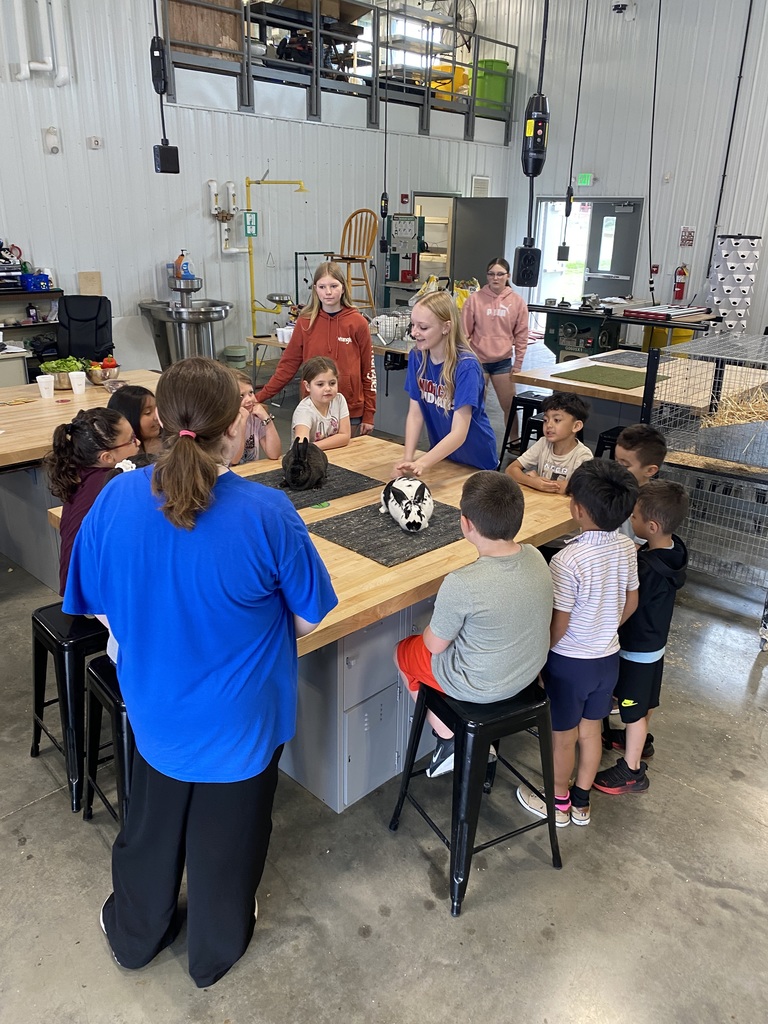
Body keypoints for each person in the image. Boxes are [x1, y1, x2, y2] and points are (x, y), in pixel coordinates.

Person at [62, 357, 337, 988]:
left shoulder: (117, 499)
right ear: (232, 425)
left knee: (152, 828)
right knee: (229, 844)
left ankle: (136, 934)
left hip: (155, 709)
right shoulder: (268, 515)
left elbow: (98, 605)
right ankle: (214, 950)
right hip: (241, 723)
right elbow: (309, 618)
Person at [394, 471, 553, 777]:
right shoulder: (534, 555)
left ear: (465, 524)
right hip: (527, 677)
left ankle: (450, 738)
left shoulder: (462, 583)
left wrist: (433, 627)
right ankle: (461, 739)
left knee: (402, 652)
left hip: (479, 688)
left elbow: (433, 645)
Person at [516, 459, 639, 827]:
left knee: (562, 737)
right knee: (591, 731)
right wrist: (604, 628)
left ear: (578, 509)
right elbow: (631, 602)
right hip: (608, 659)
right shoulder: (628, 548)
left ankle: (557, 801)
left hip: (570, 664)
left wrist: (539, 660)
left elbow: (560, 624)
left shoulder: (566, 561)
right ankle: (582, 803)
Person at [596, 480, 688, 794]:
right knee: (645, 701)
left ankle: (631, 771)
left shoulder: (647, 569)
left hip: (637, 650)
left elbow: (627, 602)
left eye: (634, 517)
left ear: (651, 525)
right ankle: (640, 741)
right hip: (655, 647)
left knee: (632, 711)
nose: (630, 521)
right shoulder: (674, 551)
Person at [255, 262, 376, 434]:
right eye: (322, 286)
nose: (328, 292)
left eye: (334, 286)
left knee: (344, 458)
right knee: (311, 456)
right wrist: (260, 397)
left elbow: (368, 372)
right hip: (312, 408)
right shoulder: (305, 322)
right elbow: (287, 365)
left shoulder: (358, 322)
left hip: (349, 409)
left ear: (343, 288)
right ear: (315, 289)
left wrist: (369, 414)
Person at [393, 291, 498, 476]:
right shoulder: (417, 358)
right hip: (443, 456)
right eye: (413, 325)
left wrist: (423, 463)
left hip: (477, 461)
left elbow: (460, 431)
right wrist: (407, 459)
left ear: (446, 327)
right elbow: (415, 415)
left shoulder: (466, 367)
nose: (414, 332)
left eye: (423, 327)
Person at [44, 408, 140, 595]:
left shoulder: (83, 472)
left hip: (75, 590)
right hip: (93, 598)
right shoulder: (113, 485)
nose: (138, 443)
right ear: (107, 457)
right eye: (131, 439)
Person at [461, 257, 529, 426]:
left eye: (500, 274)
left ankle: (514, 441)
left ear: (508, 276)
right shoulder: (474, 300)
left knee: (509, 405)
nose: (495, 278)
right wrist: (464, 360)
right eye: (491, 274)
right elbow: (463, 333)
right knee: (474, 406)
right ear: (487, 276)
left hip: (503, 362)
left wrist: (518, 363)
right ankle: (472, 440)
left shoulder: (517, 301)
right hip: (478, 361)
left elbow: (521, 334)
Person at [505, 392, 592, 493]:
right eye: (545, 420)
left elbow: (580, 489)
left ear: (576, 426)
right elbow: (510, 470)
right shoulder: (543, 443)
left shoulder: (583, 455)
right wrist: (533, 481)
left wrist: (539, 481)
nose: (549, 425)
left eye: (557, 420)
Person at [614, 423, 668, 544]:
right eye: (615, 461)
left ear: (650, 470)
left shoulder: (650, 506)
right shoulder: (612, 486)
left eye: (624, 465)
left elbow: (639, 549)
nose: (616, 468)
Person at [292, 356, 351, 450]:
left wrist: (313, 446)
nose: (328, 388)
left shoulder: (339, 400)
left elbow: (345, 436)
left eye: (332, 383)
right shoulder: (304, 411)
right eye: (320, 384)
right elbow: (301, 446)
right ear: (307, 386)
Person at [233, 370, 282, 464]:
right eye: (241, 396)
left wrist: (267, 419)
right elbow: (234, 460)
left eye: (250, 393)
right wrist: (242, 422)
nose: (249, 400)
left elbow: (275, 454)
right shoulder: (225, 422)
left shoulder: (254, 417)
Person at [107, 385, 163, 457]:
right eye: (148, 412)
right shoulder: (121, 456)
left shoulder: (169, 443)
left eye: (156, 409)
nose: (156, 417)